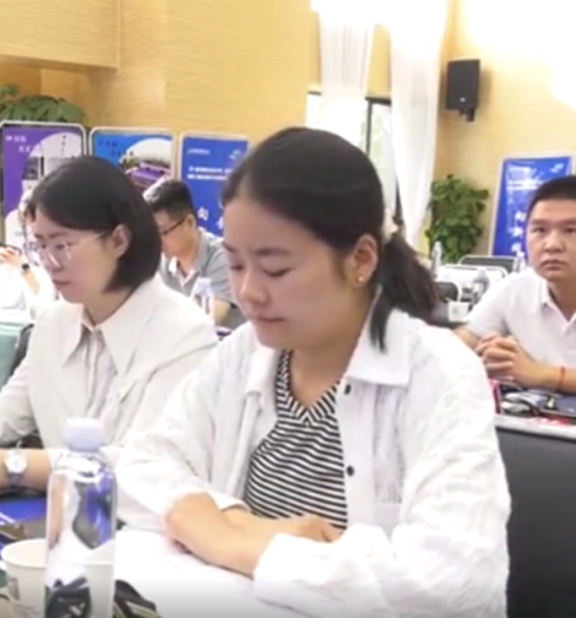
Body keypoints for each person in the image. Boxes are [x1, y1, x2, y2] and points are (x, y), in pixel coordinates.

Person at [115, 128, 509, 617]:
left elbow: (454, 579)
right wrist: (236, 524)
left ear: (360, 259)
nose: (248, 292)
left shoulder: (440, 375)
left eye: (275, 269)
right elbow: (142, 464)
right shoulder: (242, 354)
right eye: (235, 265)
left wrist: (241, 545)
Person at [0, 156, 217, 499]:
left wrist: (14, 465)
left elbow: (148, 468)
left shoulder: (184, 334)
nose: (49, 262)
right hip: (61, 512)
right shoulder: (56, 322)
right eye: (40, 246)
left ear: (118, 240)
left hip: (139, 530)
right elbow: (2, 417)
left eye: (62, 245)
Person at [456, 175, 576, 394]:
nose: (552, 245)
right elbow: (460, 345)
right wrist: (488, 354)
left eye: (570, 231)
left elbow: (533, 374)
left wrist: (541, 375)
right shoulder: (515, 289)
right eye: (540, 230)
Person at [143, 178, 238, 325]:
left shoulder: (221, 257)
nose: (156, 241)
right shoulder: (162, 262)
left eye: (162, 232)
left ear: (189, 222)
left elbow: (213, 322)